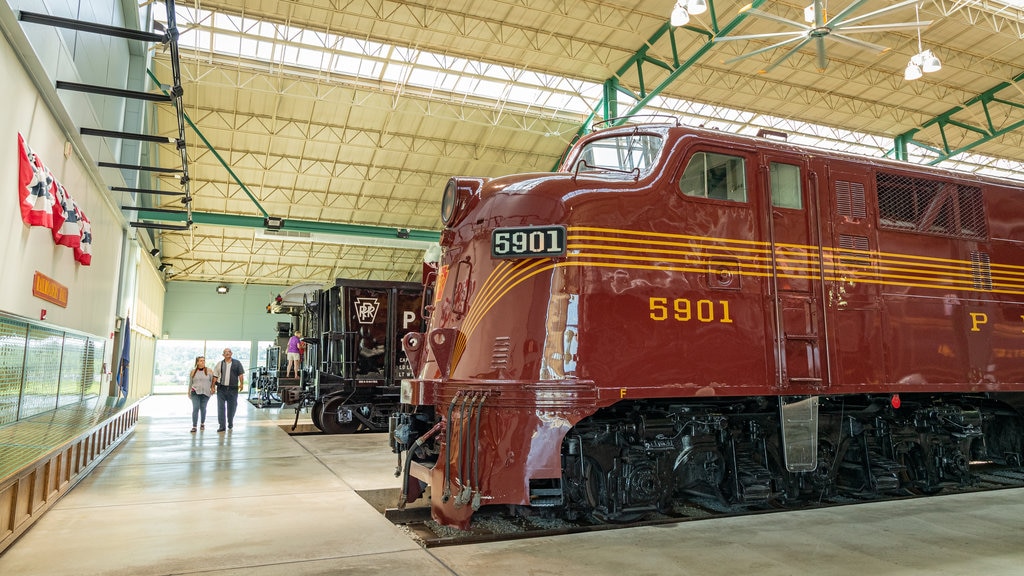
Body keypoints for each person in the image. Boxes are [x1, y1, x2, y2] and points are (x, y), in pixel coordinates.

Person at [212, 348, 245, 432]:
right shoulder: (219, 364)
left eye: (229, 352)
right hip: (221, 388)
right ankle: (222, 426)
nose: (228, 353)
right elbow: (215, 376)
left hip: (233, 389)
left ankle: (230, 421)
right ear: (223, 355)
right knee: (221, 407)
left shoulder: (237, 363)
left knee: (232, 406)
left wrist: (241, 384)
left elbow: (240, 374)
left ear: (232, 353)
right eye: (226, 352)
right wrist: (212, 386)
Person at [187, 356, 215, 433]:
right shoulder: (193, 371)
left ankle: (202, 423)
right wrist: (189, 391)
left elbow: (213, 381)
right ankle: (194, 426)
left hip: (206, 393)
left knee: (203, 408)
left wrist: (213, 388)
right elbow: (190, 382)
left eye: (204, 360)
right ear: (197, 362)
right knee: (195, 408)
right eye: (201, 361)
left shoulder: (209, 371)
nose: (203, 362)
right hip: (195, 392)